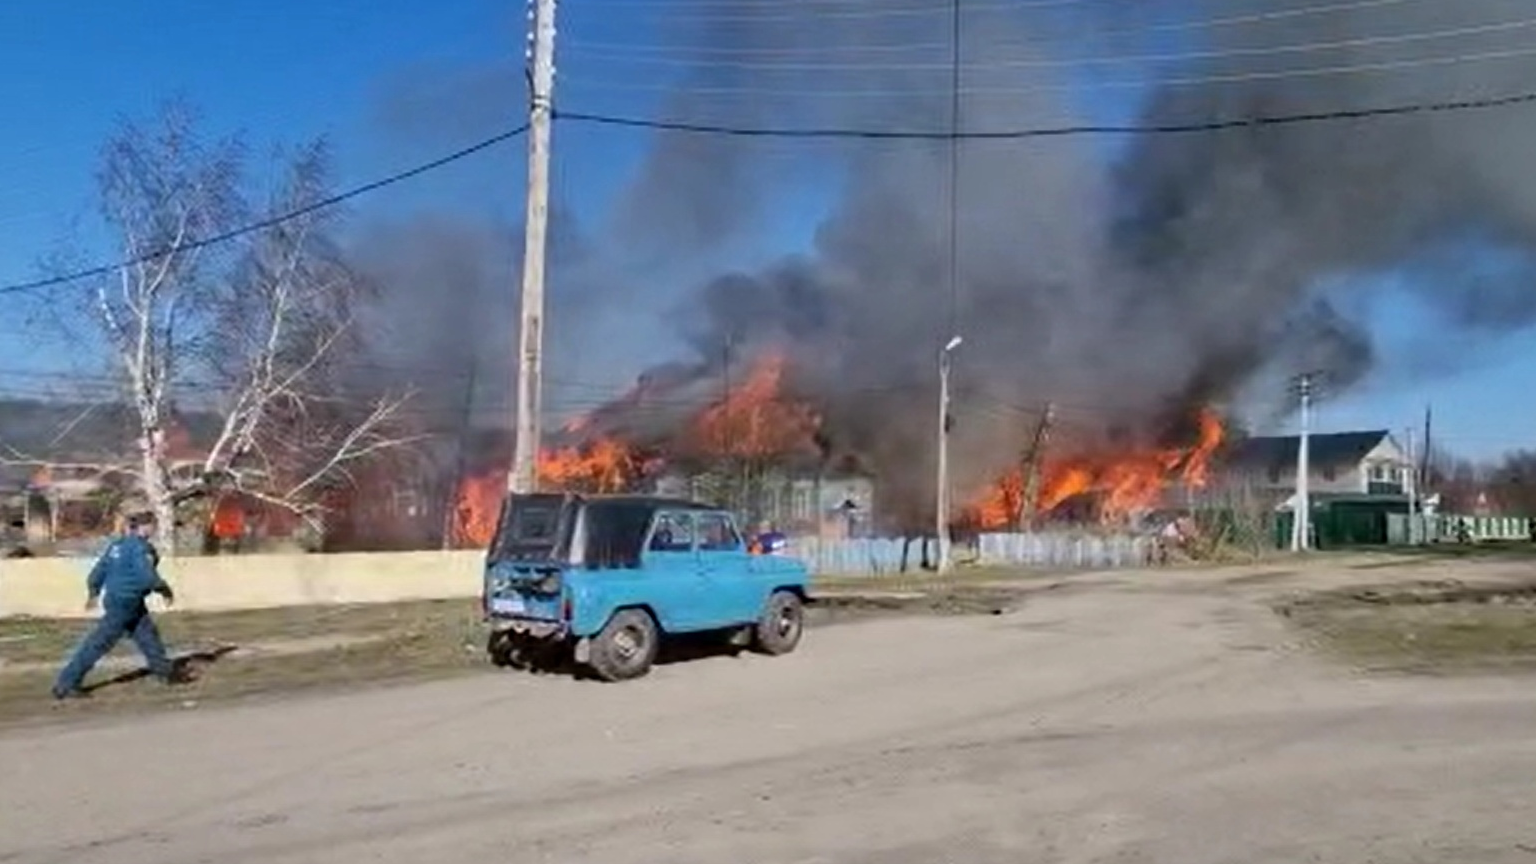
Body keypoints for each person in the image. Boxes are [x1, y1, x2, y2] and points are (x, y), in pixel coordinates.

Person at [52, 511, 189, 699]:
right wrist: (164, 590)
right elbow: (146, 576)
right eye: (153, 525)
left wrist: (94, 592)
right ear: (146, 527)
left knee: (148, 636)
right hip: (126, 602)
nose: (155, 529)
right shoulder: (142, 548)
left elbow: (98, 572)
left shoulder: (116, 546)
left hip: (121, 599)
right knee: (97, 643)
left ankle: (164, 673)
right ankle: (66, 684)